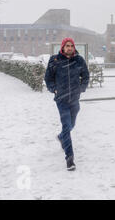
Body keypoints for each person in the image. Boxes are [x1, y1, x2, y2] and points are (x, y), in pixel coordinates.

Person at [44, 38, 89, 171]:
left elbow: (86, 76)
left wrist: (81, 88)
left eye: (71, 46)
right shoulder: (55, 60)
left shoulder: (79, 60)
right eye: (67, 46)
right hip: (61, 100)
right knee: (66, 125)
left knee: (71, 125)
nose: (69, 48)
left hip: (74, 99)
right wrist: (54, 89)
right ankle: (69, 159)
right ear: (62, 47)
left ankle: (61, 137)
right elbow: (48, 78)